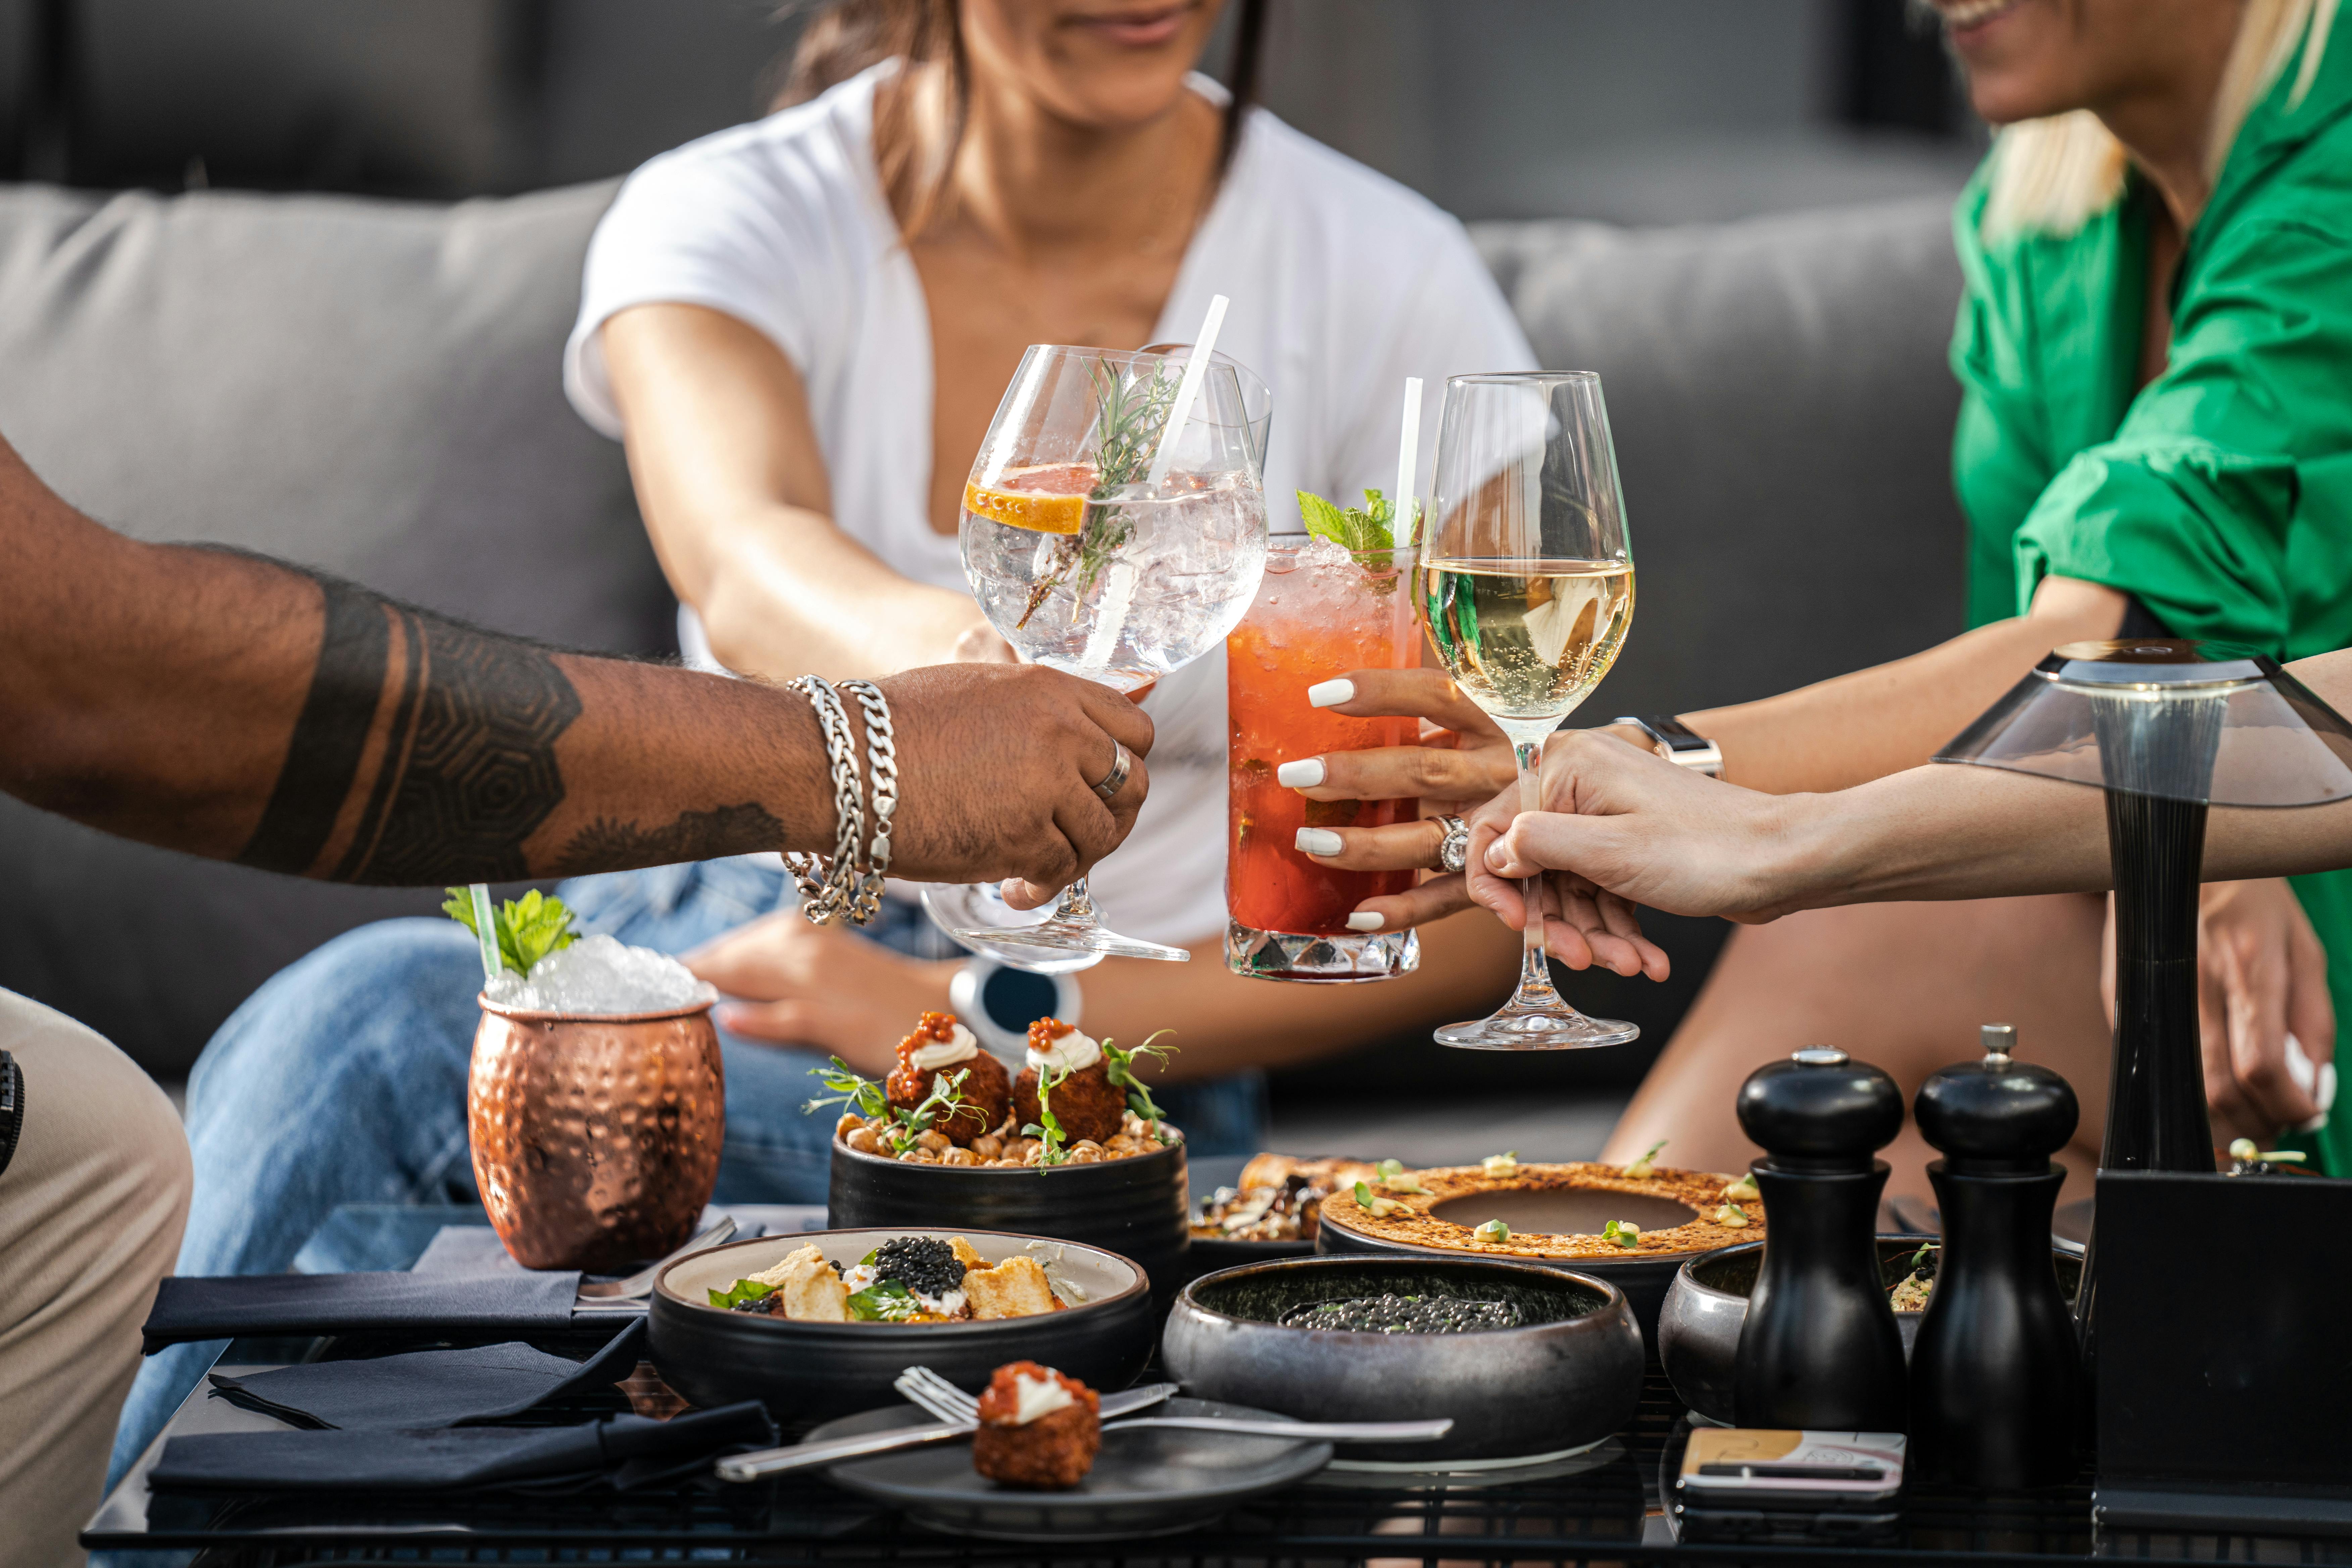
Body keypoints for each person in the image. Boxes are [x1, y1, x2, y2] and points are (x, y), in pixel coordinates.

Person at [0, 430, 1147, 1567]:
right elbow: (742, 555)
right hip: (693, 923)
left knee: (124, 1132)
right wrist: (904, 735)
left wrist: (955, 988)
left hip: (1040, 998)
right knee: (341, 1042)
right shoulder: (756, 248)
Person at [1284, 0, 2352, 1198]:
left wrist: (1665, 764)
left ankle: (1547, 1318)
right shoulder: (2044, 209)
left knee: (1857, 945)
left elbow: (2091, 639)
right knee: (1849, 1200)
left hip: (2311, 910)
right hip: (2135, 867)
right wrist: (2168, 850)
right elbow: (2068, 690)